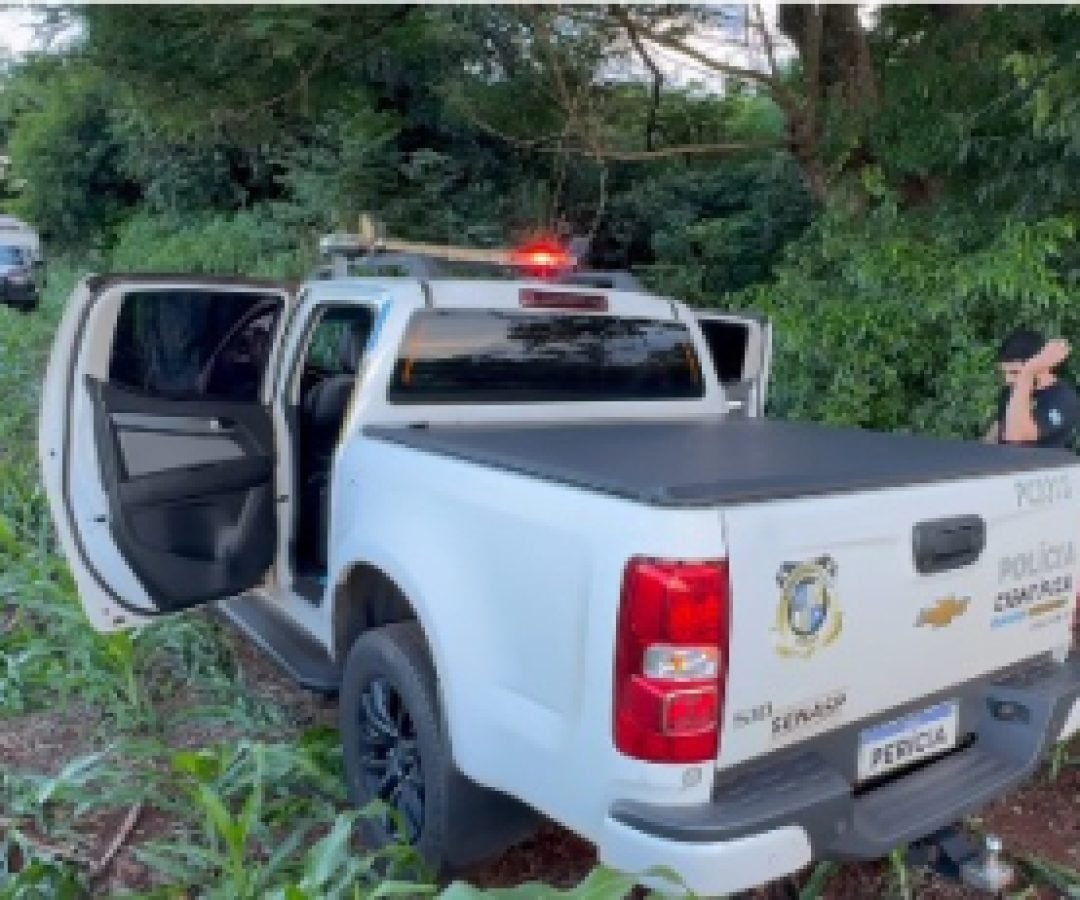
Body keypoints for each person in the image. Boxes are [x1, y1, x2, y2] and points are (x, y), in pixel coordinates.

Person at [985, 328, 1080, 448]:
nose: (1008, 380)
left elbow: (1017, 438)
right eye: (1005, 373)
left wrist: (1027, 373)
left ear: (1042, 367)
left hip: (1043, 466)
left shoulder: (1064, 399)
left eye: (1015, 372)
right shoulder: (1011, 391)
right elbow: (997, 430)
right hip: (1006, 464)